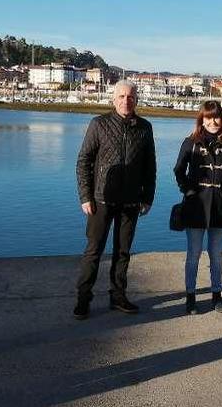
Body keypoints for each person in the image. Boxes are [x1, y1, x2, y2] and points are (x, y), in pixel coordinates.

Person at [74, 80, 156, 319]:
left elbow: (150, 166)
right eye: (121, 96)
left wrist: (147, 196)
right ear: (113, 99)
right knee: (93, 251)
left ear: (137, 100)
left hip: (131, 201)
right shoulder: (98, 124)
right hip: (100, 199)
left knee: (123, 252)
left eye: (130, 97)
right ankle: (83, 298)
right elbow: (83, 162)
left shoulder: (145, 128)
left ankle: (118, 296)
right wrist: (85, 196)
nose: (125, 101)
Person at [173, 100, 222, 314]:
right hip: (195, 207)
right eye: (208, 117)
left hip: (221, 207)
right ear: (201, 119)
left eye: (217, 116)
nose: (213, 121)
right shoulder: (191, 142)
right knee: (193, 253)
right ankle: (190, 297)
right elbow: (178, 170)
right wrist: (188, 191)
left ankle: (216, 296)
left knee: (216, 254)